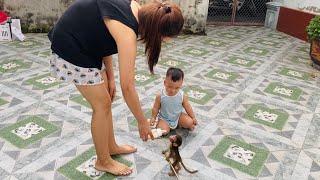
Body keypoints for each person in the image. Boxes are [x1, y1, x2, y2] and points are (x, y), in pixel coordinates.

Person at [48, 0, 184, 176]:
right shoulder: (127, 32)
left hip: (87, 42)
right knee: (101, 105)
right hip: (71, 45)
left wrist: (110, 77)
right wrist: (142, 122)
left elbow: (103, 36)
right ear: (157, 31)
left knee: (107, 98)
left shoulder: (135, 8)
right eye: (163, 39)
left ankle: (111, 146)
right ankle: (102, 161)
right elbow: (127, 86)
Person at [150, 67, 197, 135]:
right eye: (170, 87)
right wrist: (153, 117)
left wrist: (193, 117)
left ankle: (179, 124)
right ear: (165, 82)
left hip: (177, 117)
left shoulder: (182, 96)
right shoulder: (160, 95)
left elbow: (188, 107)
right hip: (164, 118)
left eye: (177, 88)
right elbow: (155, 108)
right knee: (164, 131)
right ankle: (163, 125)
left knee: (189, 122)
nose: (173, 90)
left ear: (181, 84)